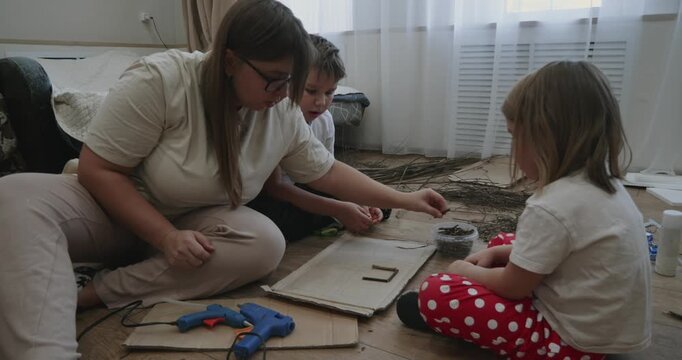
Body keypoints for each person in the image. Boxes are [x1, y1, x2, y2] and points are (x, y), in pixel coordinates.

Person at [0, 1, 447, 359]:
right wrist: (166, 236)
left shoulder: (280, 110)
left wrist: (407, 199)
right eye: (275, 81)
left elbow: (325, 171)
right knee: (14, 195)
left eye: (291, 83)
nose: (285, 95)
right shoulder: (162, 79)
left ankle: (93, 292)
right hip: (108, 209)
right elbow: (100, 171)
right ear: (231, 60)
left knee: (264, 242)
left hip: (185, 219)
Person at [397, 61, 651, 359]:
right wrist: (497, 255)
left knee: (437, 291)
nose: (513, 147)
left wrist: (463, 270)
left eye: (514, 135)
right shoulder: (605, 183)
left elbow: (513, 287)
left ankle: (450, 318)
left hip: (575, 345)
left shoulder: (552, 206)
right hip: (612, 332)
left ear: (545, 138)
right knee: (505, 242)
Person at [247, 34, 383, 241]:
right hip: (273, 196)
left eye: (330, 92)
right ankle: (335, 216)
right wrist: (338, 208)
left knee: (375, 201)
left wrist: (356, 199)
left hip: (306, 185)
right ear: (287, 83)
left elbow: (327, 173)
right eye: (311, 91)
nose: (321, 102)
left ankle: (343, 213)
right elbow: (276, 188)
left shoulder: (324, 119)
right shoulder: (276, 118)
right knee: (275, 224)